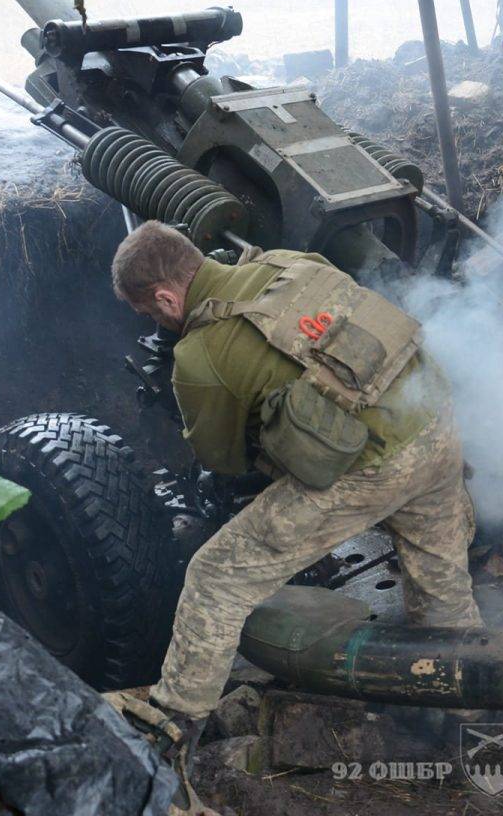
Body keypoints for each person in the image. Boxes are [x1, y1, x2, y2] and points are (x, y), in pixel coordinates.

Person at [107, 221, 482, 780]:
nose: (156, 321)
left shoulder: (200, 356)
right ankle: (468, 715)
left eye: (150, 312)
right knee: (440, 580)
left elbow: (222, 461)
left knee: (215, 578)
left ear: (165, 297)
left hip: (374, 467)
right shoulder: (287, 262)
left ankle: (173, 725)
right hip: (434, 422)